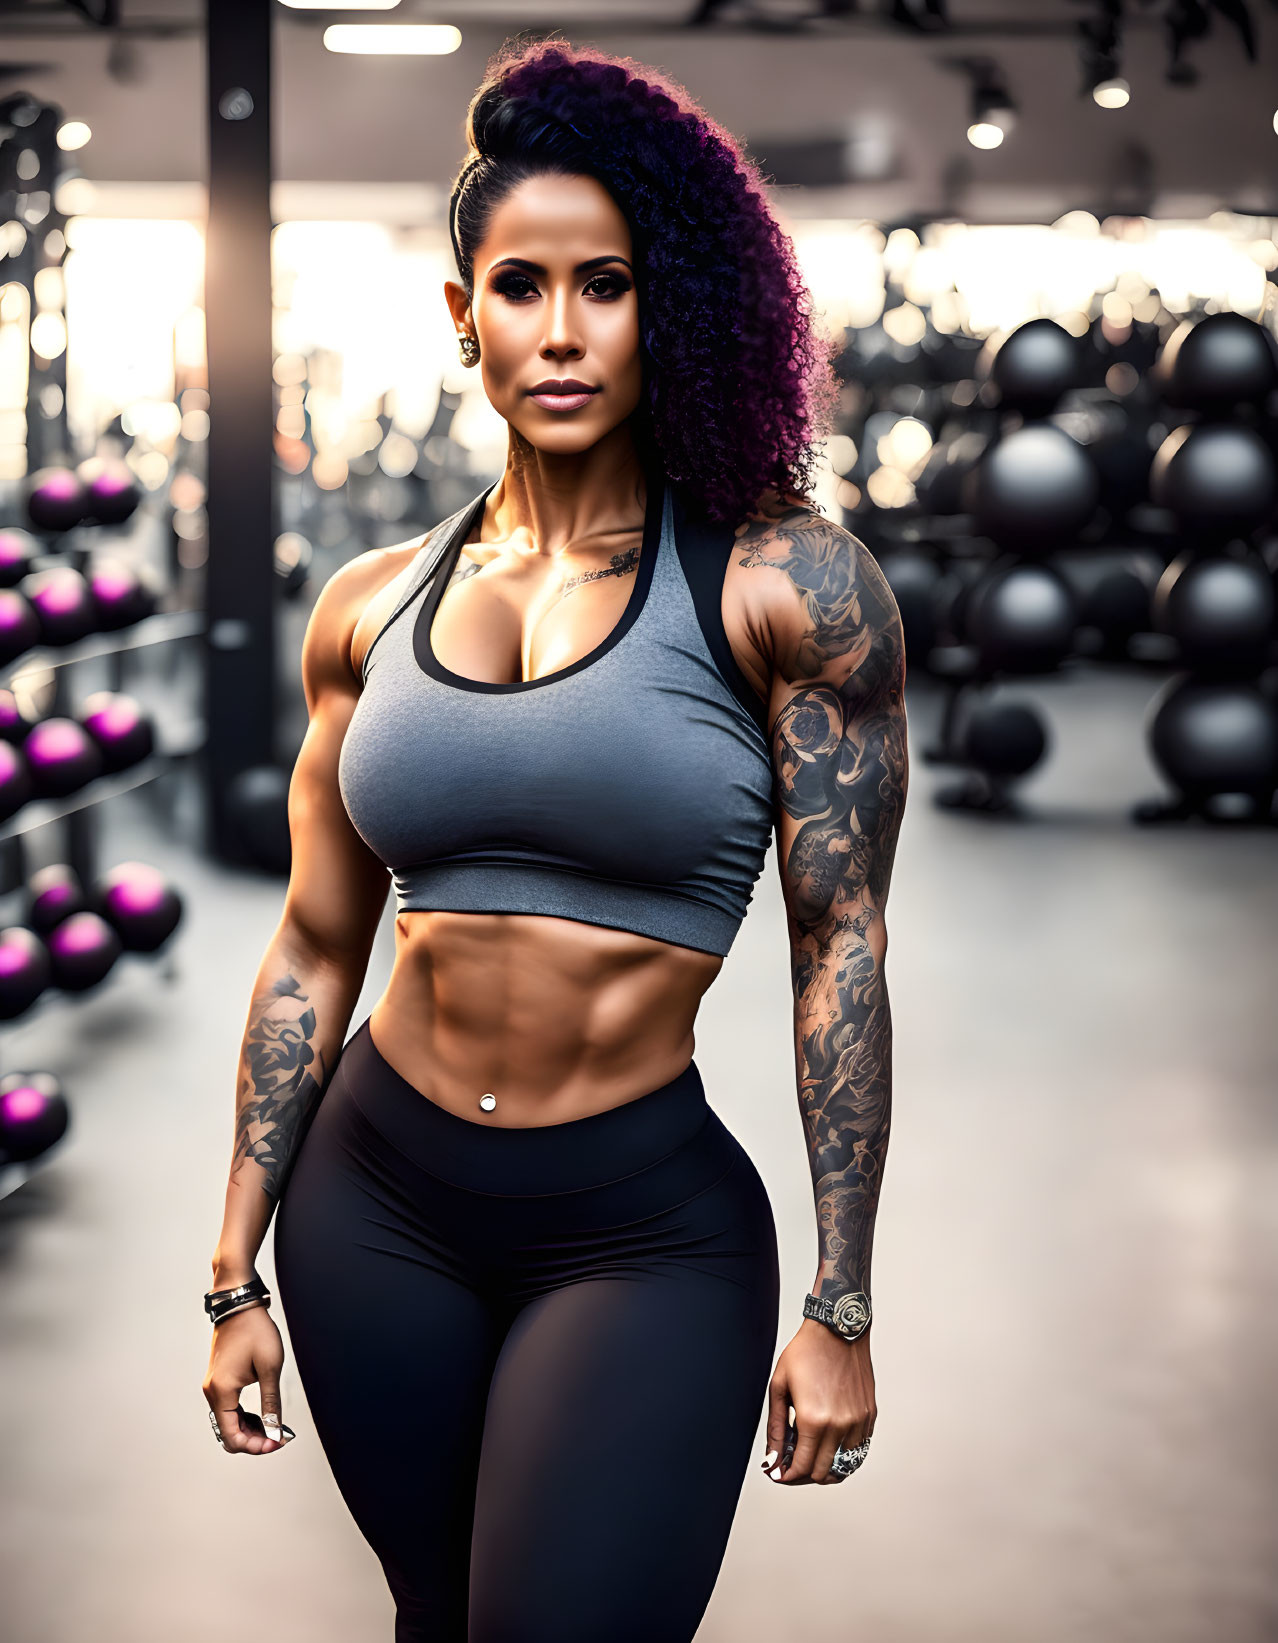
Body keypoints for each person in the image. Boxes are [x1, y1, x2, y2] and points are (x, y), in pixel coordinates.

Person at [201, 37, 907, 1643]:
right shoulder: (368, 606)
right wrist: (236, 1267)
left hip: (640, 1223)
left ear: (679, 308)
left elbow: (839, 951)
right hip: (372, 1203)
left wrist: (841, 1300)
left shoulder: (786, 588)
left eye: (610, 283)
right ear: (463, 315)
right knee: (436, 1618)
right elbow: (317, 942)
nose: (565, 330)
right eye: (522, 285)